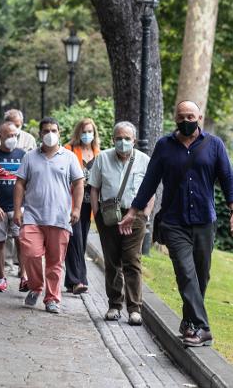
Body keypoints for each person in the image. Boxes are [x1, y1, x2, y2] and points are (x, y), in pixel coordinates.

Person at [119, 100, 233, 347]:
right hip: (174, 221)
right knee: (186, 273)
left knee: (200, 276)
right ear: (174, 118)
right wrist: (134, 210)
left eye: (191, 116)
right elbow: (150, 181)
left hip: (205, 221)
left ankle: (190, 323)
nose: (186, 121)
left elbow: (228, 177)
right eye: (181, 117)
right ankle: (204, 328)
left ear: (200, 117)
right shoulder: (165, 146)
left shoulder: (214, 145)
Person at [14, 117, 84, 314]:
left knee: (55, 262)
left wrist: (76, 209)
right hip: (32, 217)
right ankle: (36, 286)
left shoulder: (69, 157)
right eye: (46, 130)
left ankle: (52, 298)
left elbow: (79, 183)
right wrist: (17, 209)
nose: (50, 134)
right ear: (40, 134)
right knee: (31, 253)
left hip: (59, 218)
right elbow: (20, 183)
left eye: (54, 130)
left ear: (59, 133)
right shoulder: (30, 157)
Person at [89, 121, 152, 326]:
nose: (123, 142)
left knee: (132, 260)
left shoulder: (144, 161)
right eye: (119, 138)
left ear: (134, 140)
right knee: (112, 261)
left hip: (135, 217)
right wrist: (97, 216)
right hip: (109, 216)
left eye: (127, 138)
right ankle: (114, 305)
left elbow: (151, 191)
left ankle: (134, 309)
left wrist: (145, 215)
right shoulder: (102, 158)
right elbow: (94, 188)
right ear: (113, 139)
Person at [0, 121, 27, 292]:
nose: (12, 138)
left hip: (18, 208)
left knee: (21, 241)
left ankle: (24, 276)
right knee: (0, 242)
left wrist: (22, 207)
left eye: (15, 135)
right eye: (8, 135)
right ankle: (2, 277)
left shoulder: (22, 154)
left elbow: (26, 182)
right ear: (0, 136)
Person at [63, 118, 100, 294]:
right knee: (75, 239)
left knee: (81, 242)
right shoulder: (68, 150)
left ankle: (72, 280)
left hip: (89, 205)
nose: (87, 135)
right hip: (72, 202)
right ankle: (78, 280)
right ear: (78, 132)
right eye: (84, 131)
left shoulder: (98, 153)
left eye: (90, 132)